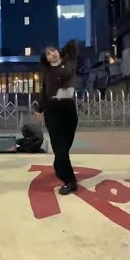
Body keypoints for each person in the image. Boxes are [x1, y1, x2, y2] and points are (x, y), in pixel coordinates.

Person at [36, 40, 79, 195]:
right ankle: (70, 181)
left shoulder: (70, 63)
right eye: (48, 54)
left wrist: (61, 54)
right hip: (52, 110)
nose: (52, 54)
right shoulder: (47, 72)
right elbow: (44, 91)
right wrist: (40, 109)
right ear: (45, 59)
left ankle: (60, 165)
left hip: (69, 109)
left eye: (53, 50)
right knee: (59, 147)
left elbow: (73, 44)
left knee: (65, 146)